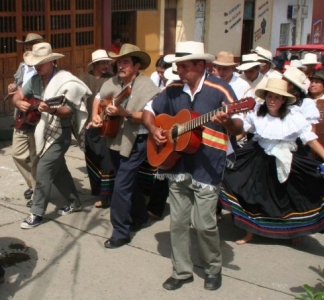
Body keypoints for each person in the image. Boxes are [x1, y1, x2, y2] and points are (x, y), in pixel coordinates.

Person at [143, 41, 243, 291]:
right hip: (177, 165)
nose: (179, 71)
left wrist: (228, 123)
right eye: (177, 66)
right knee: (177, 222)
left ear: (201, 65)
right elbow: (148, 109)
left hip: (208, 165)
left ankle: (212, 268)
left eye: (184, 66)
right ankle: (182, 271)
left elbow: (240, 123)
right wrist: (154, 128)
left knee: (204, 223)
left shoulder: (220, 89)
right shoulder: (173, 88)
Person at [219, 78, 324, 245]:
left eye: (277, 97)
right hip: (258, 158)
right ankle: (249, 232)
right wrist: (228, 142)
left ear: (284, 100)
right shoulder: (257, 112)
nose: (273, 101)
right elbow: (243, 130)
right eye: (270, 96)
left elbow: (310, 139)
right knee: (252, 195)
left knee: (289, 198)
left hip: (285, 159)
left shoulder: (294, 116)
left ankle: (293, 232)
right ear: (265, 97)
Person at [91, 44, 160, 249]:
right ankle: (140, 215)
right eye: (119, 62)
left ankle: (120, 232)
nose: (120, 66)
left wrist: (125, 113)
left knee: (120, 186)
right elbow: (98, 98)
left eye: (126, 62)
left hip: (137, 141)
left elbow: (149, 117)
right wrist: (96, 115)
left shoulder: (147, 86)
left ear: (137, 66)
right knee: (127, 181)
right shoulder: (113, 82)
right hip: (114, 139)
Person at [16, 42, 91, 229]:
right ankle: (75, 202)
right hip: (41, 130)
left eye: (40, 62)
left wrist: (52, 110)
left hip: (60, 133)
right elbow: (19, 94)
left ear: (51, 62)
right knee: (58, 171)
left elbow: (69, 111)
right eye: (35, 63)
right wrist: (19, 103)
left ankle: (36, 213)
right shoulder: (34, 80)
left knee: (42, 170)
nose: (37, 66)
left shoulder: (66, 81)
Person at [9, 33, 44, 205]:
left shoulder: (45, 68)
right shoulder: (23, 66)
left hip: (36, 117)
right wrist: (13, 88)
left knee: (35, 156)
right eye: (26, 45)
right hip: (21, 116)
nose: (28, 48)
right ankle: (35, 184)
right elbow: (17, 87)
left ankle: (37, 192)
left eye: (32, 45)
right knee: (17, 154)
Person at [80, 49, 114, 208]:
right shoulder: (84, 79)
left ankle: (105, 196)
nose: (106, 65)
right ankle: (97, 190)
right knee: (92, 158)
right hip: (88, 125)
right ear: (95, 64)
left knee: (106, 160)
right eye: (103, 62)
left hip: (107, 125)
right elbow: (77, 101)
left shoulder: (113, 79)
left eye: (107, 62)